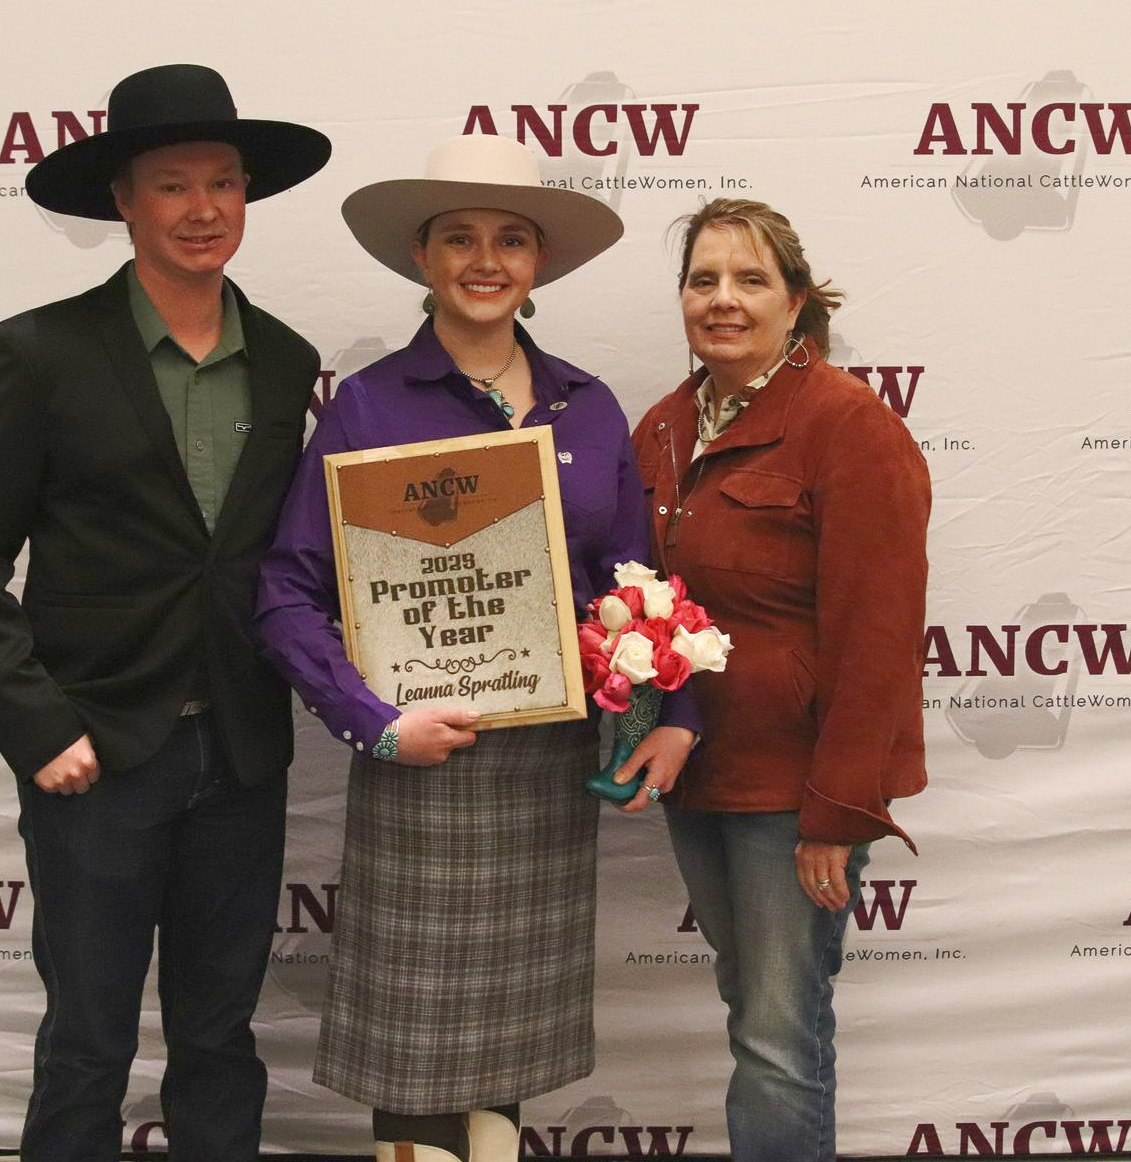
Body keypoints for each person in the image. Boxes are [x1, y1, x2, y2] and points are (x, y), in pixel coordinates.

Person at [255, 134, 702, 1162]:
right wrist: (372, 722)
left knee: (507, 1053)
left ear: (538, 262)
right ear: (423, 256)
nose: (485, 258)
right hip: (420, 758)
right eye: (459, 236)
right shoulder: (367, 406)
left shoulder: (587, 406)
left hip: (548, 764)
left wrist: (676, 713)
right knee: (415, 1051)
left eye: (510, 237)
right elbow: (284, 590)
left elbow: (637, 585)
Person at [0, 64, 330, 1162]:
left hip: (241, 755)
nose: (203, 209)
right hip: (98, 755)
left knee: (220, 1036)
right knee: (88, 1043)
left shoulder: (289, 361)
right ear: (123, 200)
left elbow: (286, 559)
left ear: (248, 196)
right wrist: (41, 726)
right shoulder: (41, 351)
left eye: (224, 183)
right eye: (172, 185)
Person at [626, 198, 930, 1162]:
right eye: (702, 279)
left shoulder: (849, 427)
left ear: (795, 303)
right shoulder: (665, 427)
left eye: (750, 280)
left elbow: (877, 640)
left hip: (794, 794)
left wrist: (838, 811)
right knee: (754, 1009)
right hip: (696, 772)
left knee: (776, 1031)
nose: (723, 300)